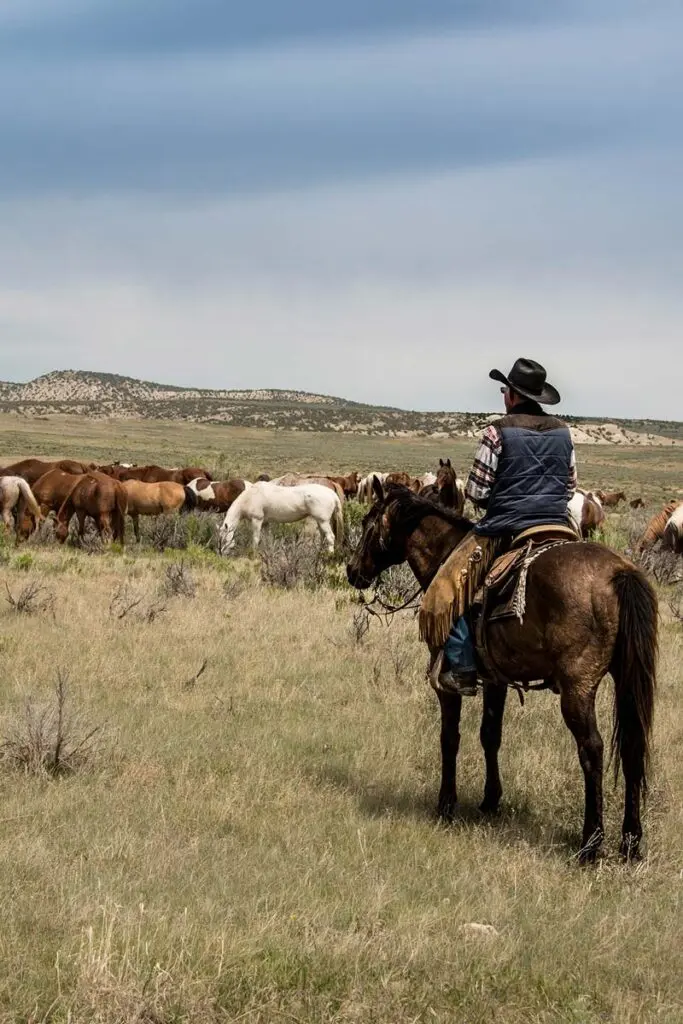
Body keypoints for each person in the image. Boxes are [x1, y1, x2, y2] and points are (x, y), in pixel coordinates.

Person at [419, 358, 577, 696]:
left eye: (506, 389)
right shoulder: (564, 431)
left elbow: (476, 491)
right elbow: (570, 487)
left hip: (507, 526)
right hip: (557, 525)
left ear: (513, 396)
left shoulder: (497, 431)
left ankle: (461, 667)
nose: (504, 394)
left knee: (449, 586)